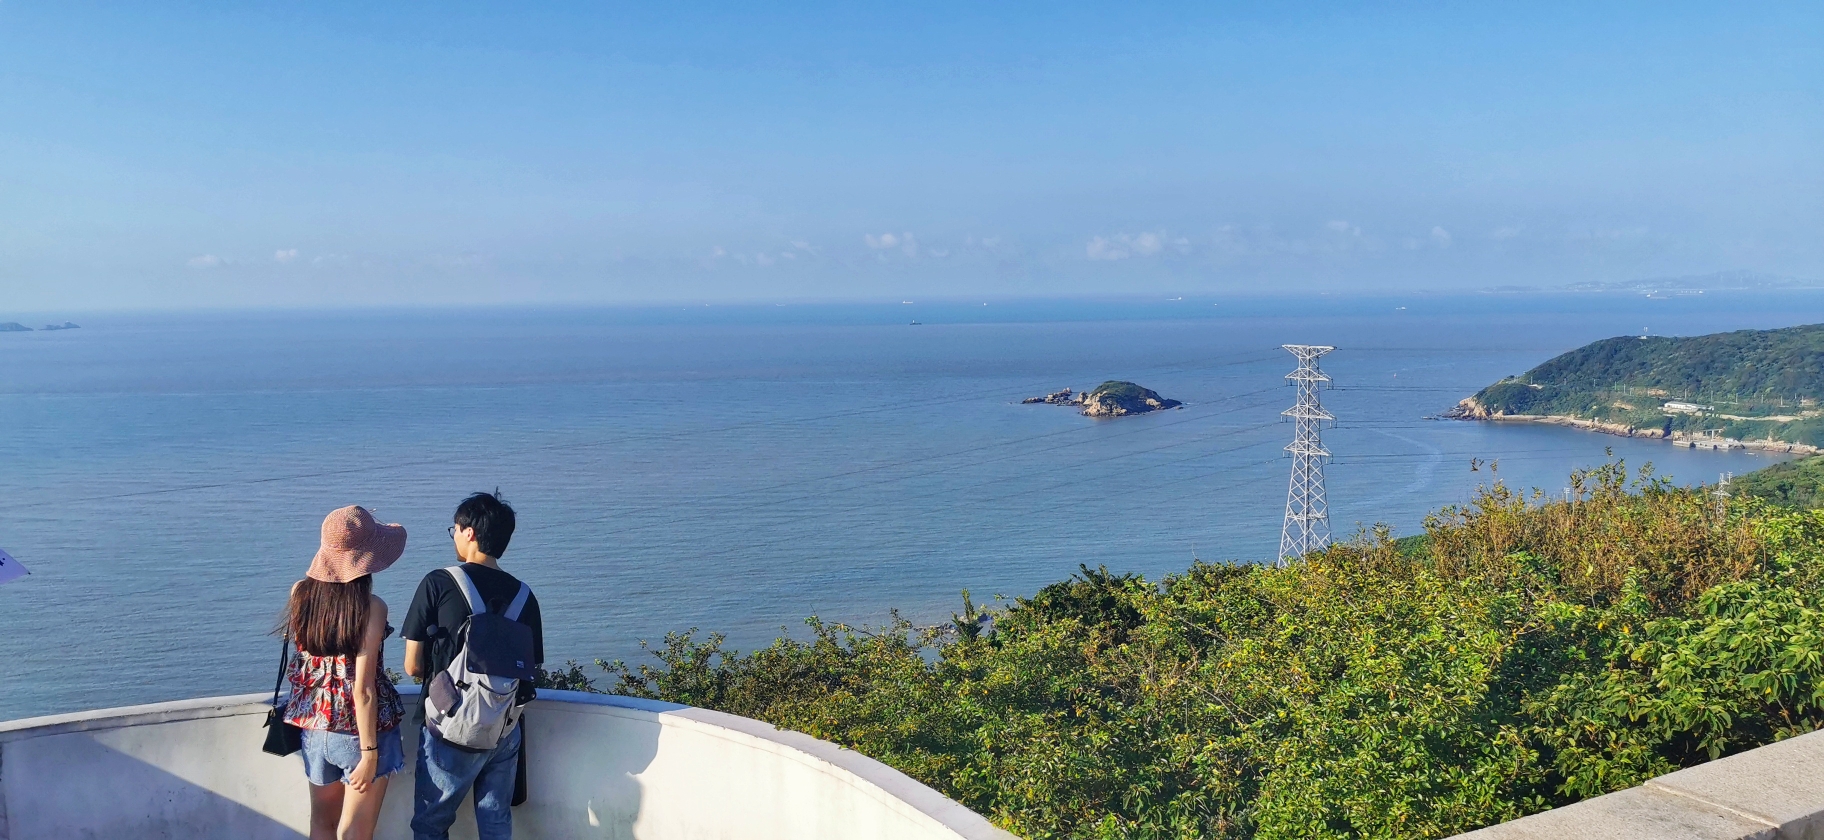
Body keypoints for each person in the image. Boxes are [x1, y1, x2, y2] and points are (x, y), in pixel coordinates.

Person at [403, 491, 544, 840]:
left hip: (450, 728)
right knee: (495, 823)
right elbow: (531, 666)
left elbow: (412, 666)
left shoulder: (439, 582)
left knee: (431, 823)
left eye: (454, 529)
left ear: (469, 533)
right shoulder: (525, 596)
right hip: (504, 728)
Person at [280, 505, 409, 840]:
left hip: (315, 728)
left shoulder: (300, 594)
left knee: (321, 826)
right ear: (367, 560)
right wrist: (369, 753)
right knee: (355, 833)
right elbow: (363, 689)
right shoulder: (372, 608)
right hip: (359, 732)